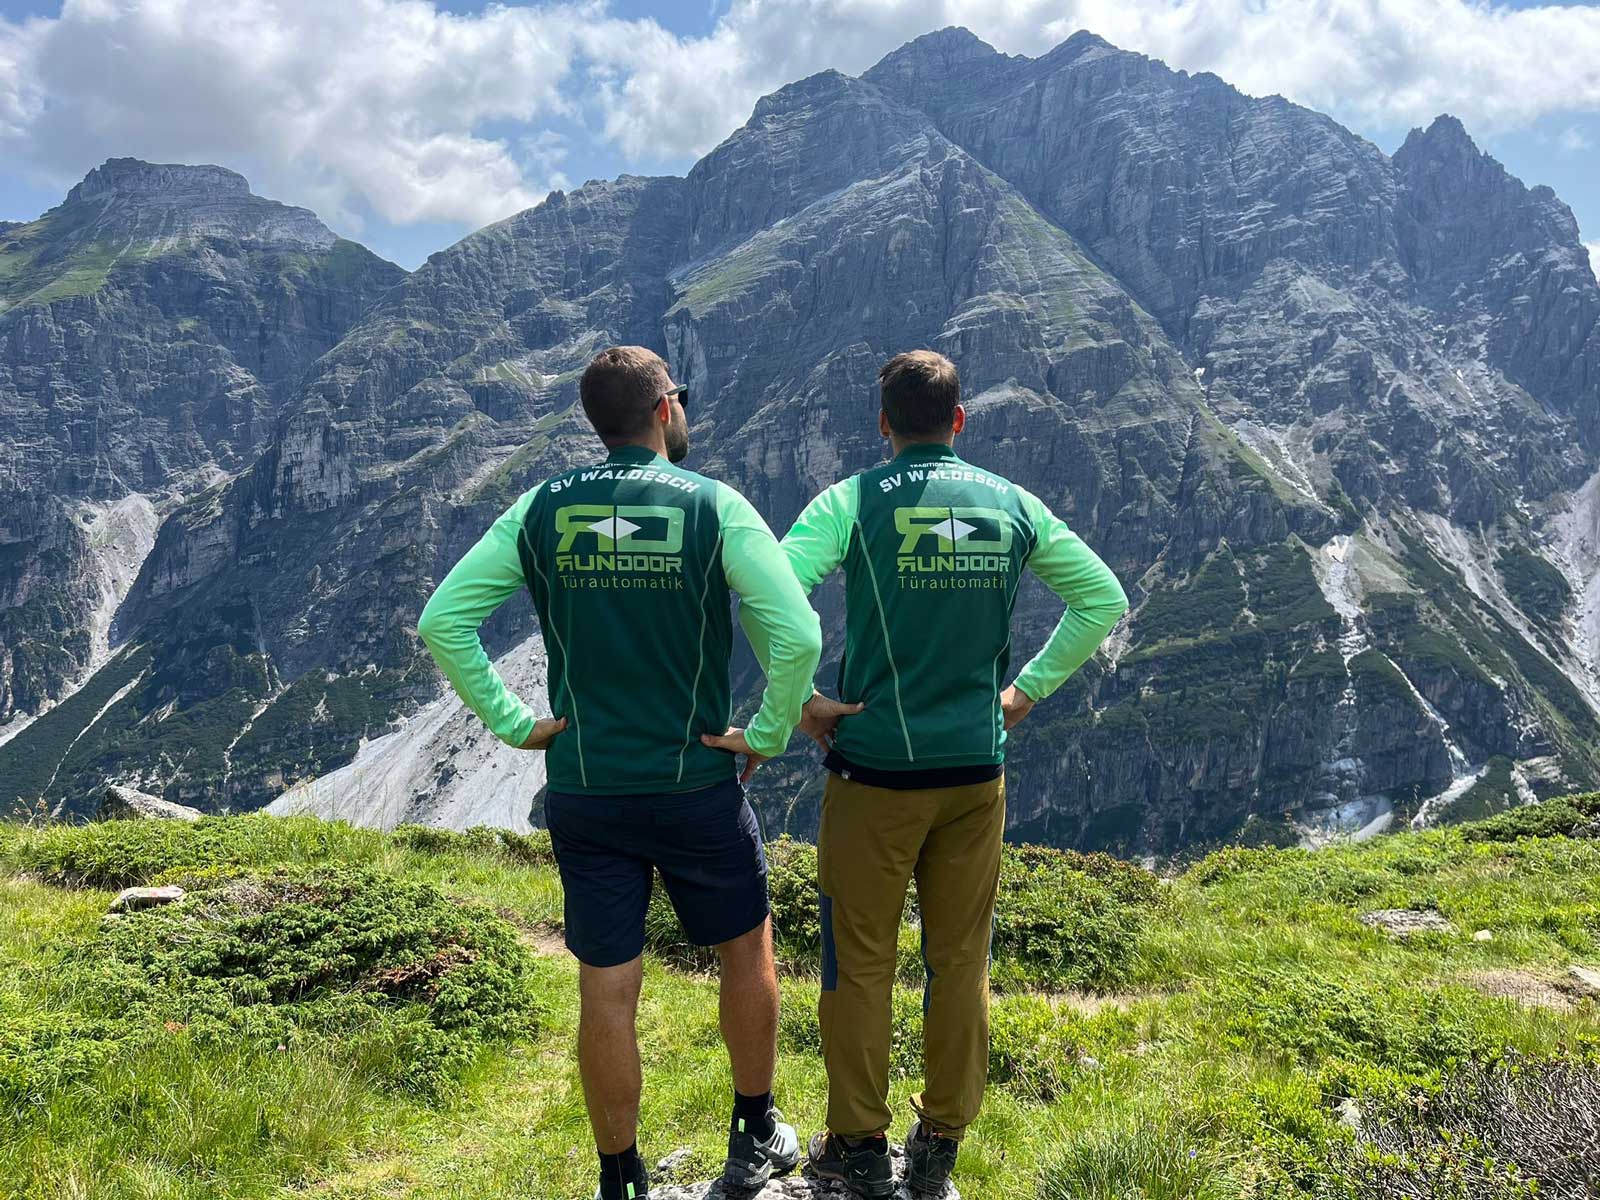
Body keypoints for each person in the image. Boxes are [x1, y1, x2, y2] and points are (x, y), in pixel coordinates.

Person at [417, 345, 828, 1200]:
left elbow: (444, 619)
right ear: (665, 409)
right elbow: (798, 634)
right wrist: (766, 733)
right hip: (695, 786)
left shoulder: (540, 507)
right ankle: (754, 1131)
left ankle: (622, 1180)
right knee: (746, 949)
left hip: (586, 790)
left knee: (606, 988)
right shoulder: (714, 505)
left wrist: (514, 723)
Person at [781, 350, 1129, 1197]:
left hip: (874, 773)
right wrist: (1025, 691)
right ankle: (938, 1148)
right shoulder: (1013, 503)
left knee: (859, 964)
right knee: (961, 961)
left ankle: (858, 1147)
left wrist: (802, 702)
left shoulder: (851, 501)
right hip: (976, 771)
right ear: (960, 420)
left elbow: (773, 595)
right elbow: (1103, 599)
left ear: (883, 424)